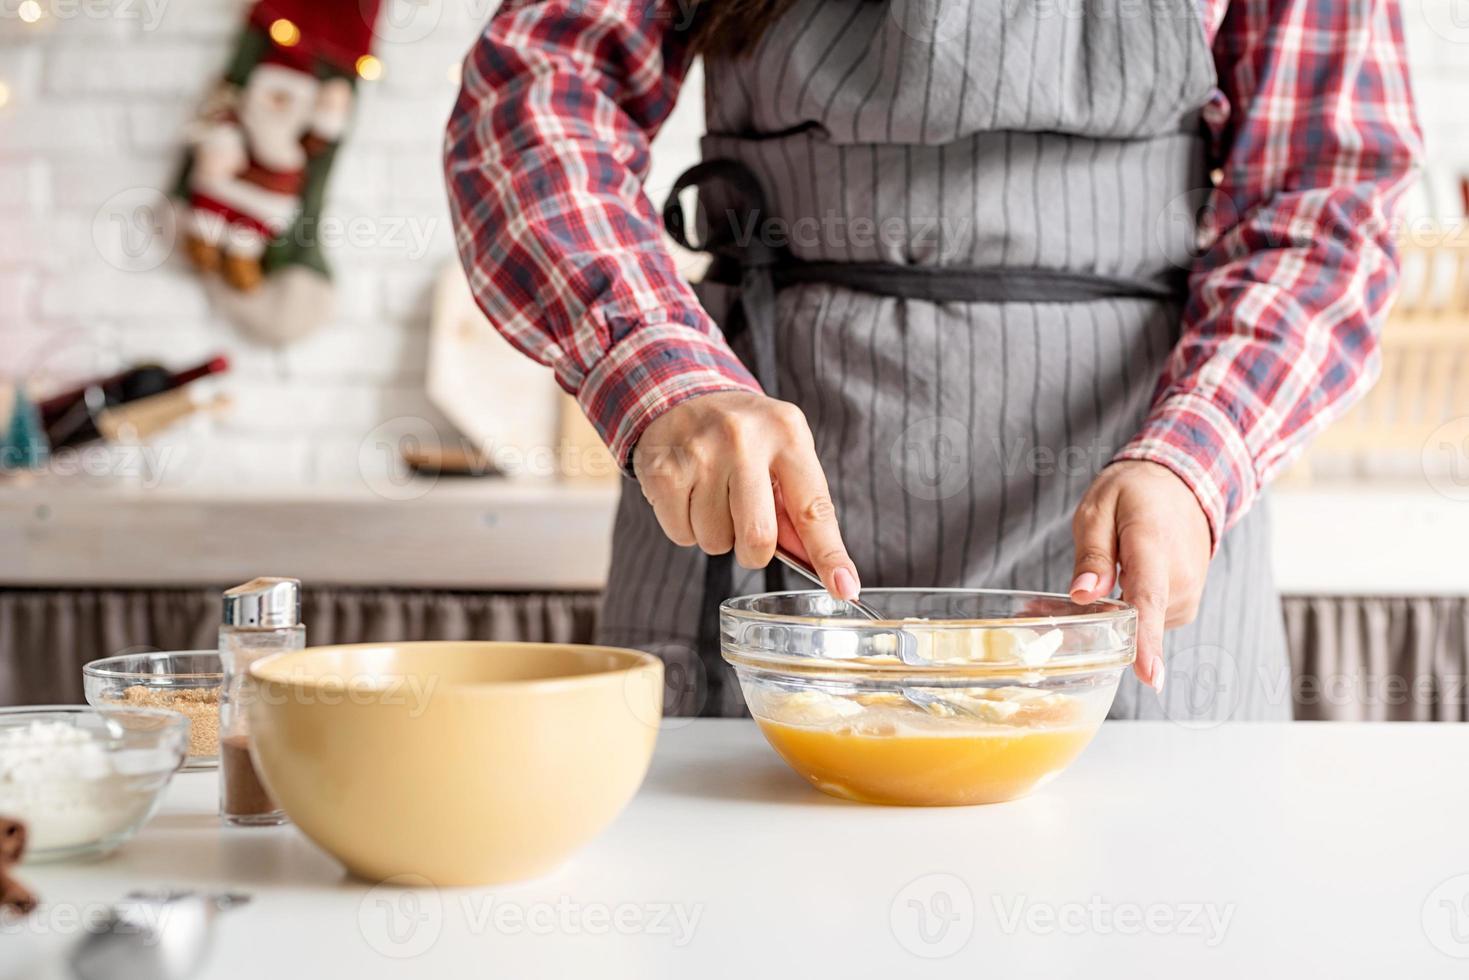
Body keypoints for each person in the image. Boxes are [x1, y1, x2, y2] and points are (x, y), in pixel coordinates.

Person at [445, 0, 1421, 719]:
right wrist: (662, 375)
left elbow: (1322, 202)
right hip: (748, 518)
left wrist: (1193, 458)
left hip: (1144, 521)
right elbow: (536, 91)